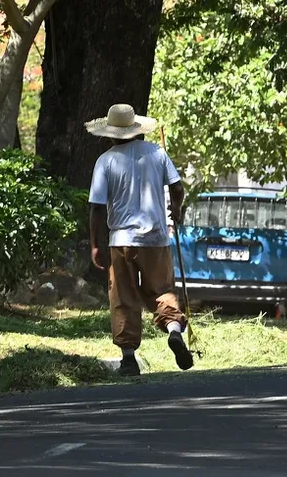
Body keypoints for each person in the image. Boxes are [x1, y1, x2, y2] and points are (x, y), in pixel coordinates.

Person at [86, 103, 192, 376]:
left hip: (121, 239)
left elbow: (96, 207)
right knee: (163, 290)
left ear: (110, 134)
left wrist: (95, 244)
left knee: (124, 297)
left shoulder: (105, 161)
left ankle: (129, 358)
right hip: (156, 237)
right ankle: (174, 330)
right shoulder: (157, 153)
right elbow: (177, 188)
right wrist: (176, 209)